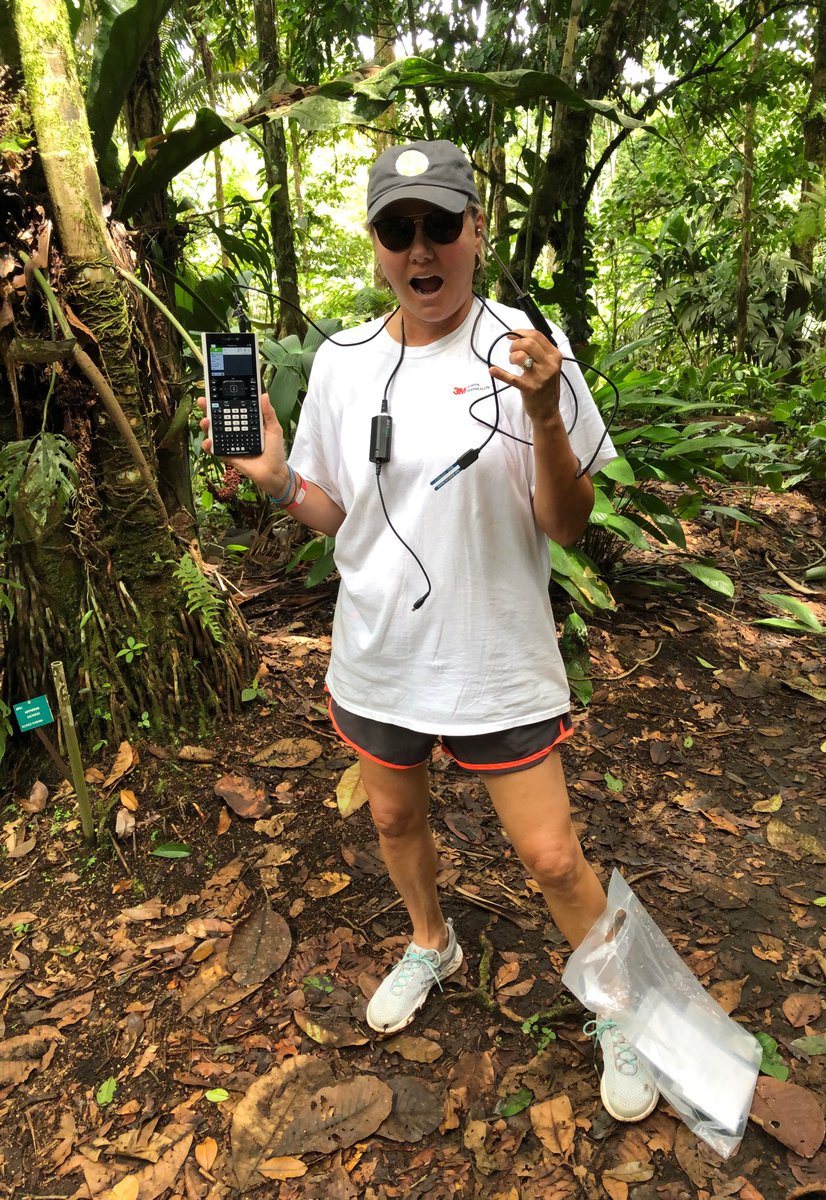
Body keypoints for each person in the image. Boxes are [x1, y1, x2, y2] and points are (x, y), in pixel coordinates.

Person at [200, 140, 658, 1123]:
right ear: (375, 246)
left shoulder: (531, 349)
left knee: (550, 858)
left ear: (475, 232)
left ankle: (617, 1007)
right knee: (395, 821)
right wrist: (280, 481)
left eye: (440, 224)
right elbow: (342, 518)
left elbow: (566, 526)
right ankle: (430, 940)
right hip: (381, 654)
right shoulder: (341, 363)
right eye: (399, 228)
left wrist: (542, 412)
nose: (422, 248)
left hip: (499, 655)